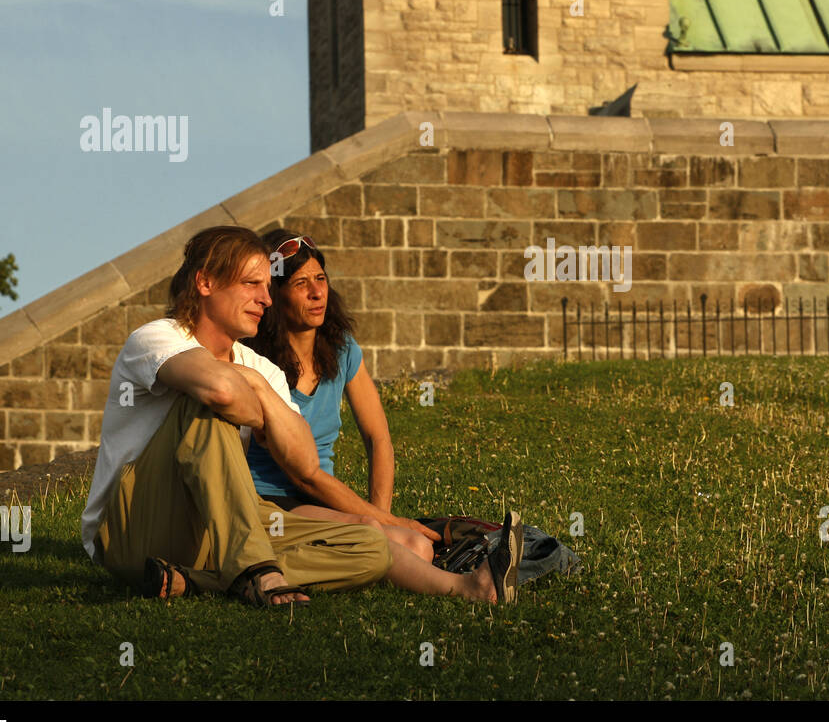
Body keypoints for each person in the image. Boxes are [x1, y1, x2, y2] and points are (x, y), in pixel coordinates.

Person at [79, 225, 522, 606]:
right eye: (252, 285)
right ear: (206, 282)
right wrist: (249, 392)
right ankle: (256, 571)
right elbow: (218, 390)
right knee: (207, 405)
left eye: (267, 288)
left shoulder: (261, 369)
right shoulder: (157, 337)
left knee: (370, 543)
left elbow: (303, 459)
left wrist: (253, 386)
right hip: (133, 528)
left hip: (209, 534)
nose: (264, 300)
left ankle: (470, 588)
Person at [241, 229, 435, 562]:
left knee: (412, 543)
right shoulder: (254, 361)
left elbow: (378, 437)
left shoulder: (342, 349)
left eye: (321, 278)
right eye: (301, 284)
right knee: (409, 545)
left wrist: (381, 513)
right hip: (270, 502)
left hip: (323, 499)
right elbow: (303, 475)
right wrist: (383, 524)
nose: (317, 293)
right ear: (274, 295)